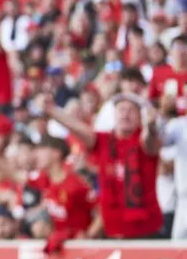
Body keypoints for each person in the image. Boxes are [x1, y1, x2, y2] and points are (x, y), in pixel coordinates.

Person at [47, 95, 163, 239]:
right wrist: (51, 110)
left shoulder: (143, 142)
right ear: (114, 115)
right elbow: (79, 129)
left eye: (131, 110)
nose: (125, 114)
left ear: (140, 116)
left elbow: (150, 142)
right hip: (112, 230)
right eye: (121, 110)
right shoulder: (103, 141)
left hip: (146, 230)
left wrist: (151, 126)